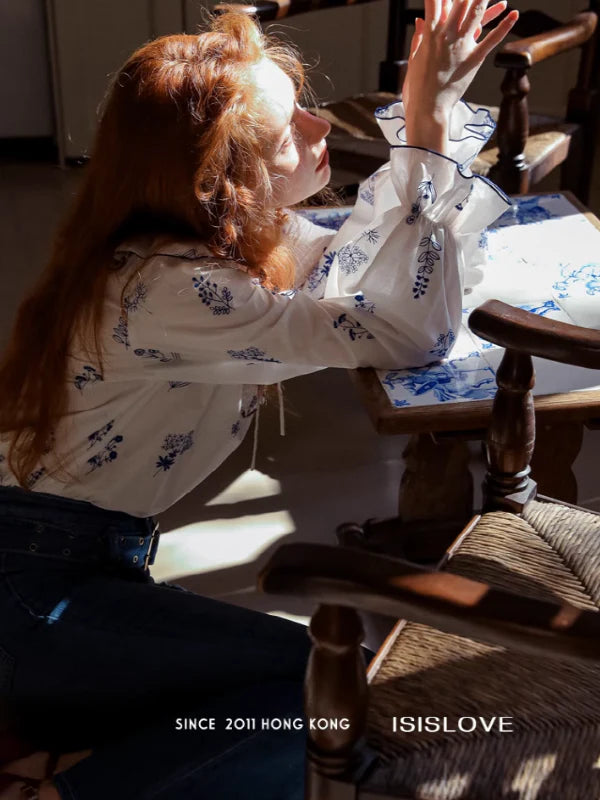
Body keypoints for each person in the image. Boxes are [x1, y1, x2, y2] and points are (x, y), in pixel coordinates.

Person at [0, 1, 518, 797]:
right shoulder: (174, 289)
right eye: (289, 131)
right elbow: (409, 331)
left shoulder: (220, 239)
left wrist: (431, 125)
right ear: (218, 178)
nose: (320, 127)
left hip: (62, 563)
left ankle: (70, 756)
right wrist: (425, 124)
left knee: (277, 703)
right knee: (316, 690)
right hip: (30, 589)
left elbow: (364, 252)